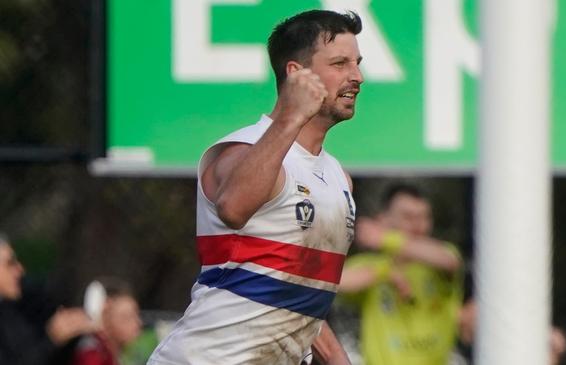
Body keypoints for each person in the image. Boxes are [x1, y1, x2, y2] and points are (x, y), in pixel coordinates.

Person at [147, 9, 363, 365]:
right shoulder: (242, 150)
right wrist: (292, 116)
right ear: (296, 74)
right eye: (340, 64)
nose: (356, 76)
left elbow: (296, 296)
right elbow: (233, 207)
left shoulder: (339, 178)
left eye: (357, 63)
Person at [337, 185, 464, 365]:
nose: (418, 224)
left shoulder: (440, 258)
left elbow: (449, 261)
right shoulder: (372, 266)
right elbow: (335, 282)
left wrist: (386, 239)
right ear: (383, 220)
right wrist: (386, 272)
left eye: (424, 217)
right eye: (408, 217)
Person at [0, 233, 94, 365]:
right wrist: (52, 339)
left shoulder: (10, 312)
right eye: (10, 263)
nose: (19, 269)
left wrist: (69, 335)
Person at [72, 278, 142, 365]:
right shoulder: (92, 356)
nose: (138, 323)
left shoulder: (111, 354)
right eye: (126, 317)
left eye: (137, 315)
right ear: (105, 316)